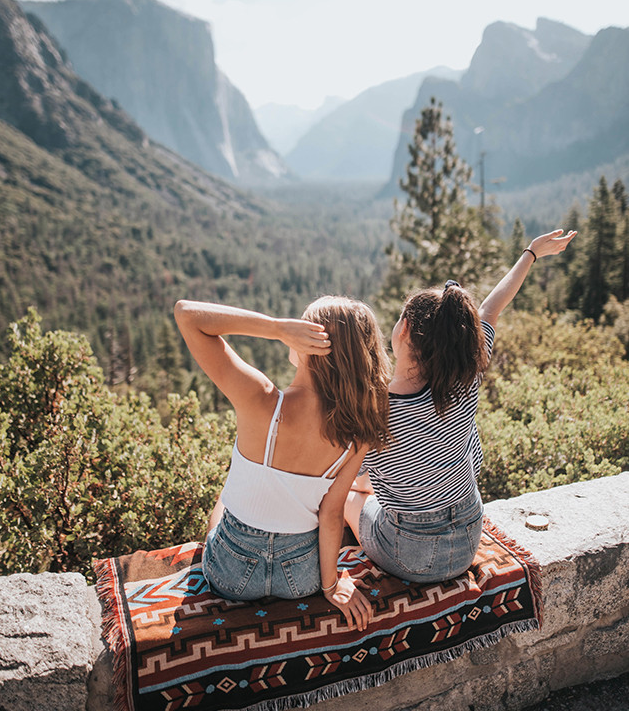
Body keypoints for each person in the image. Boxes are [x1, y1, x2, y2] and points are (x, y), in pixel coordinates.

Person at [344, 228, 577, 584]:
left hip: (411, 557)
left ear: (403, 330)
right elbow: (490, 309)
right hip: (469, 538)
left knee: (348, 496)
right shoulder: (465, 377)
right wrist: (530, 253)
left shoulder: (373, 409)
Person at [174, 295, 391, 629]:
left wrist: (276, 328)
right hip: (301, 578)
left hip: (231, 574)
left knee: (223, 499)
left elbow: (187, 315)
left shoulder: (260, 397)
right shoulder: (357, 431)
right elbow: (331, 515)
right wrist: (331, 585)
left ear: (311, 345)